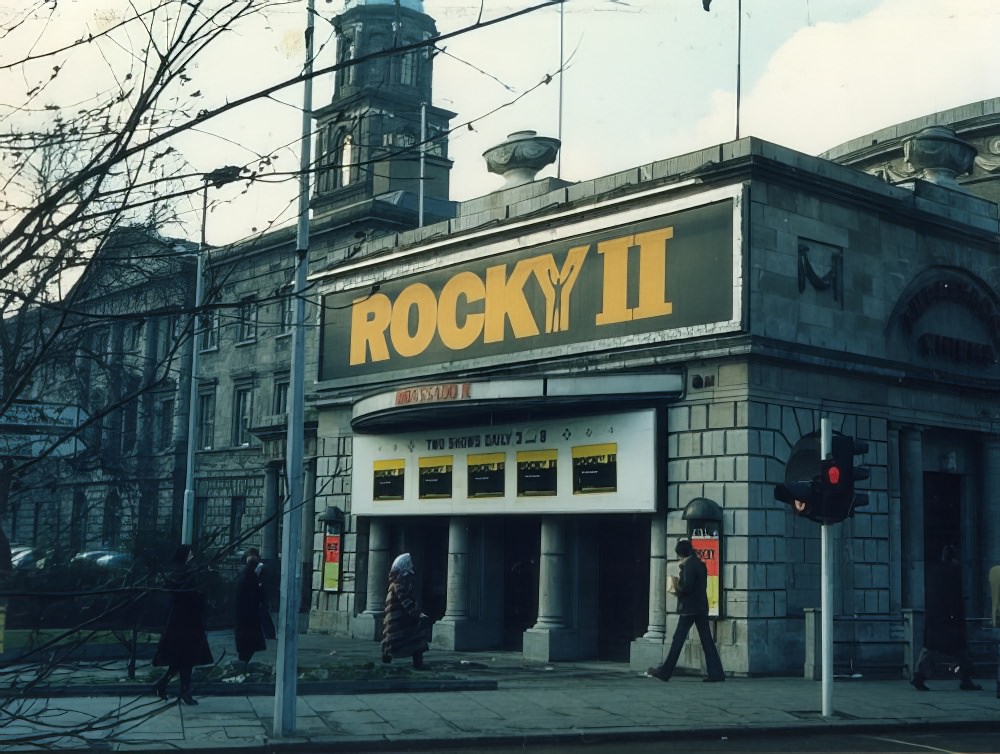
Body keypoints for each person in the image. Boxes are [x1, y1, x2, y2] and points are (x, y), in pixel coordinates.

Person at [647, 538, 725, 683]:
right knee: (707, 640)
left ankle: (665, 672)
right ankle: (716, 673)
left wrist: (677, 588)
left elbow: (687, 587)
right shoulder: (700, 563)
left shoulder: (689, 565)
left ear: (680, 553)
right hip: (701, 607)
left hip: (689, 608)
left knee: (678, 640)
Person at [910, 544, 981, 691]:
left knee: (931, 650)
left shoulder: (935, 572)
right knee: (958, 651)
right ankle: (965, 679)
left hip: (936, 618)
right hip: (949, 620)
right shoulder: (952, 571)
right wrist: (955, 616)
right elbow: (954, 598)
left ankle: (919, 676)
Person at [152, 545, 214, 705]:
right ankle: (183, 691)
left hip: (181, 621)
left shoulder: (179, 573)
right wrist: (202, 597)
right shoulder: (185, 574)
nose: (192, 556)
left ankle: (165, 685)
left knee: (181, 660)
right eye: (190, 554)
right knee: (186, 659)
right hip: (186, 622)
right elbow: (189, 596)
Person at [380, 552, 430, 670]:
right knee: (415, 639)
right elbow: (406, 601)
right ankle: (417, 664)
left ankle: (387, 659)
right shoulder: (398, 586)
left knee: (394, 640)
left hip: (399, 619)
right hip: (398, 619)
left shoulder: (399, 584)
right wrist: (416, 613)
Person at [234, 552, 272, 673]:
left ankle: (243, 664)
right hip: (248, 617)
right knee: (248, 643)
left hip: (245, 617)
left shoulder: (248, 576)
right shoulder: (249, 577)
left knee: (246, 644)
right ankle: (243, 665)